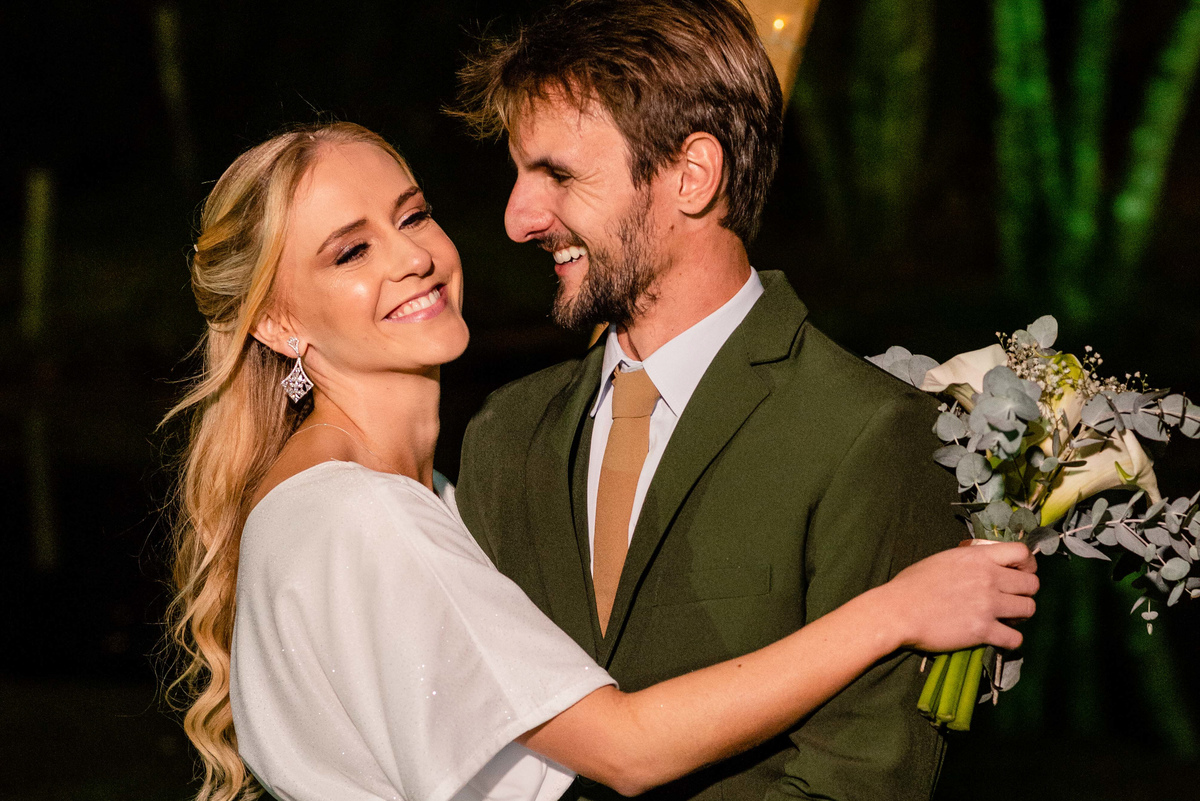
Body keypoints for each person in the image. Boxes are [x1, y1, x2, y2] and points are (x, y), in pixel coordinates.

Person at [162, 122, 1037, 801]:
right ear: (278, 322)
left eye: (413, 214)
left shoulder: (407, 497)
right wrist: (895, 611)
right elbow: (624, 748)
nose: (414, 257)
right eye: (350, 250)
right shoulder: (362, 516)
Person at [452, 1, 978, 799]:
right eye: (521, 175)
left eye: (558, 174)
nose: (517, 218)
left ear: (692, 175)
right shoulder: (504, 432)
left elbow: (857, 779)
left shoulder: (870, 431)